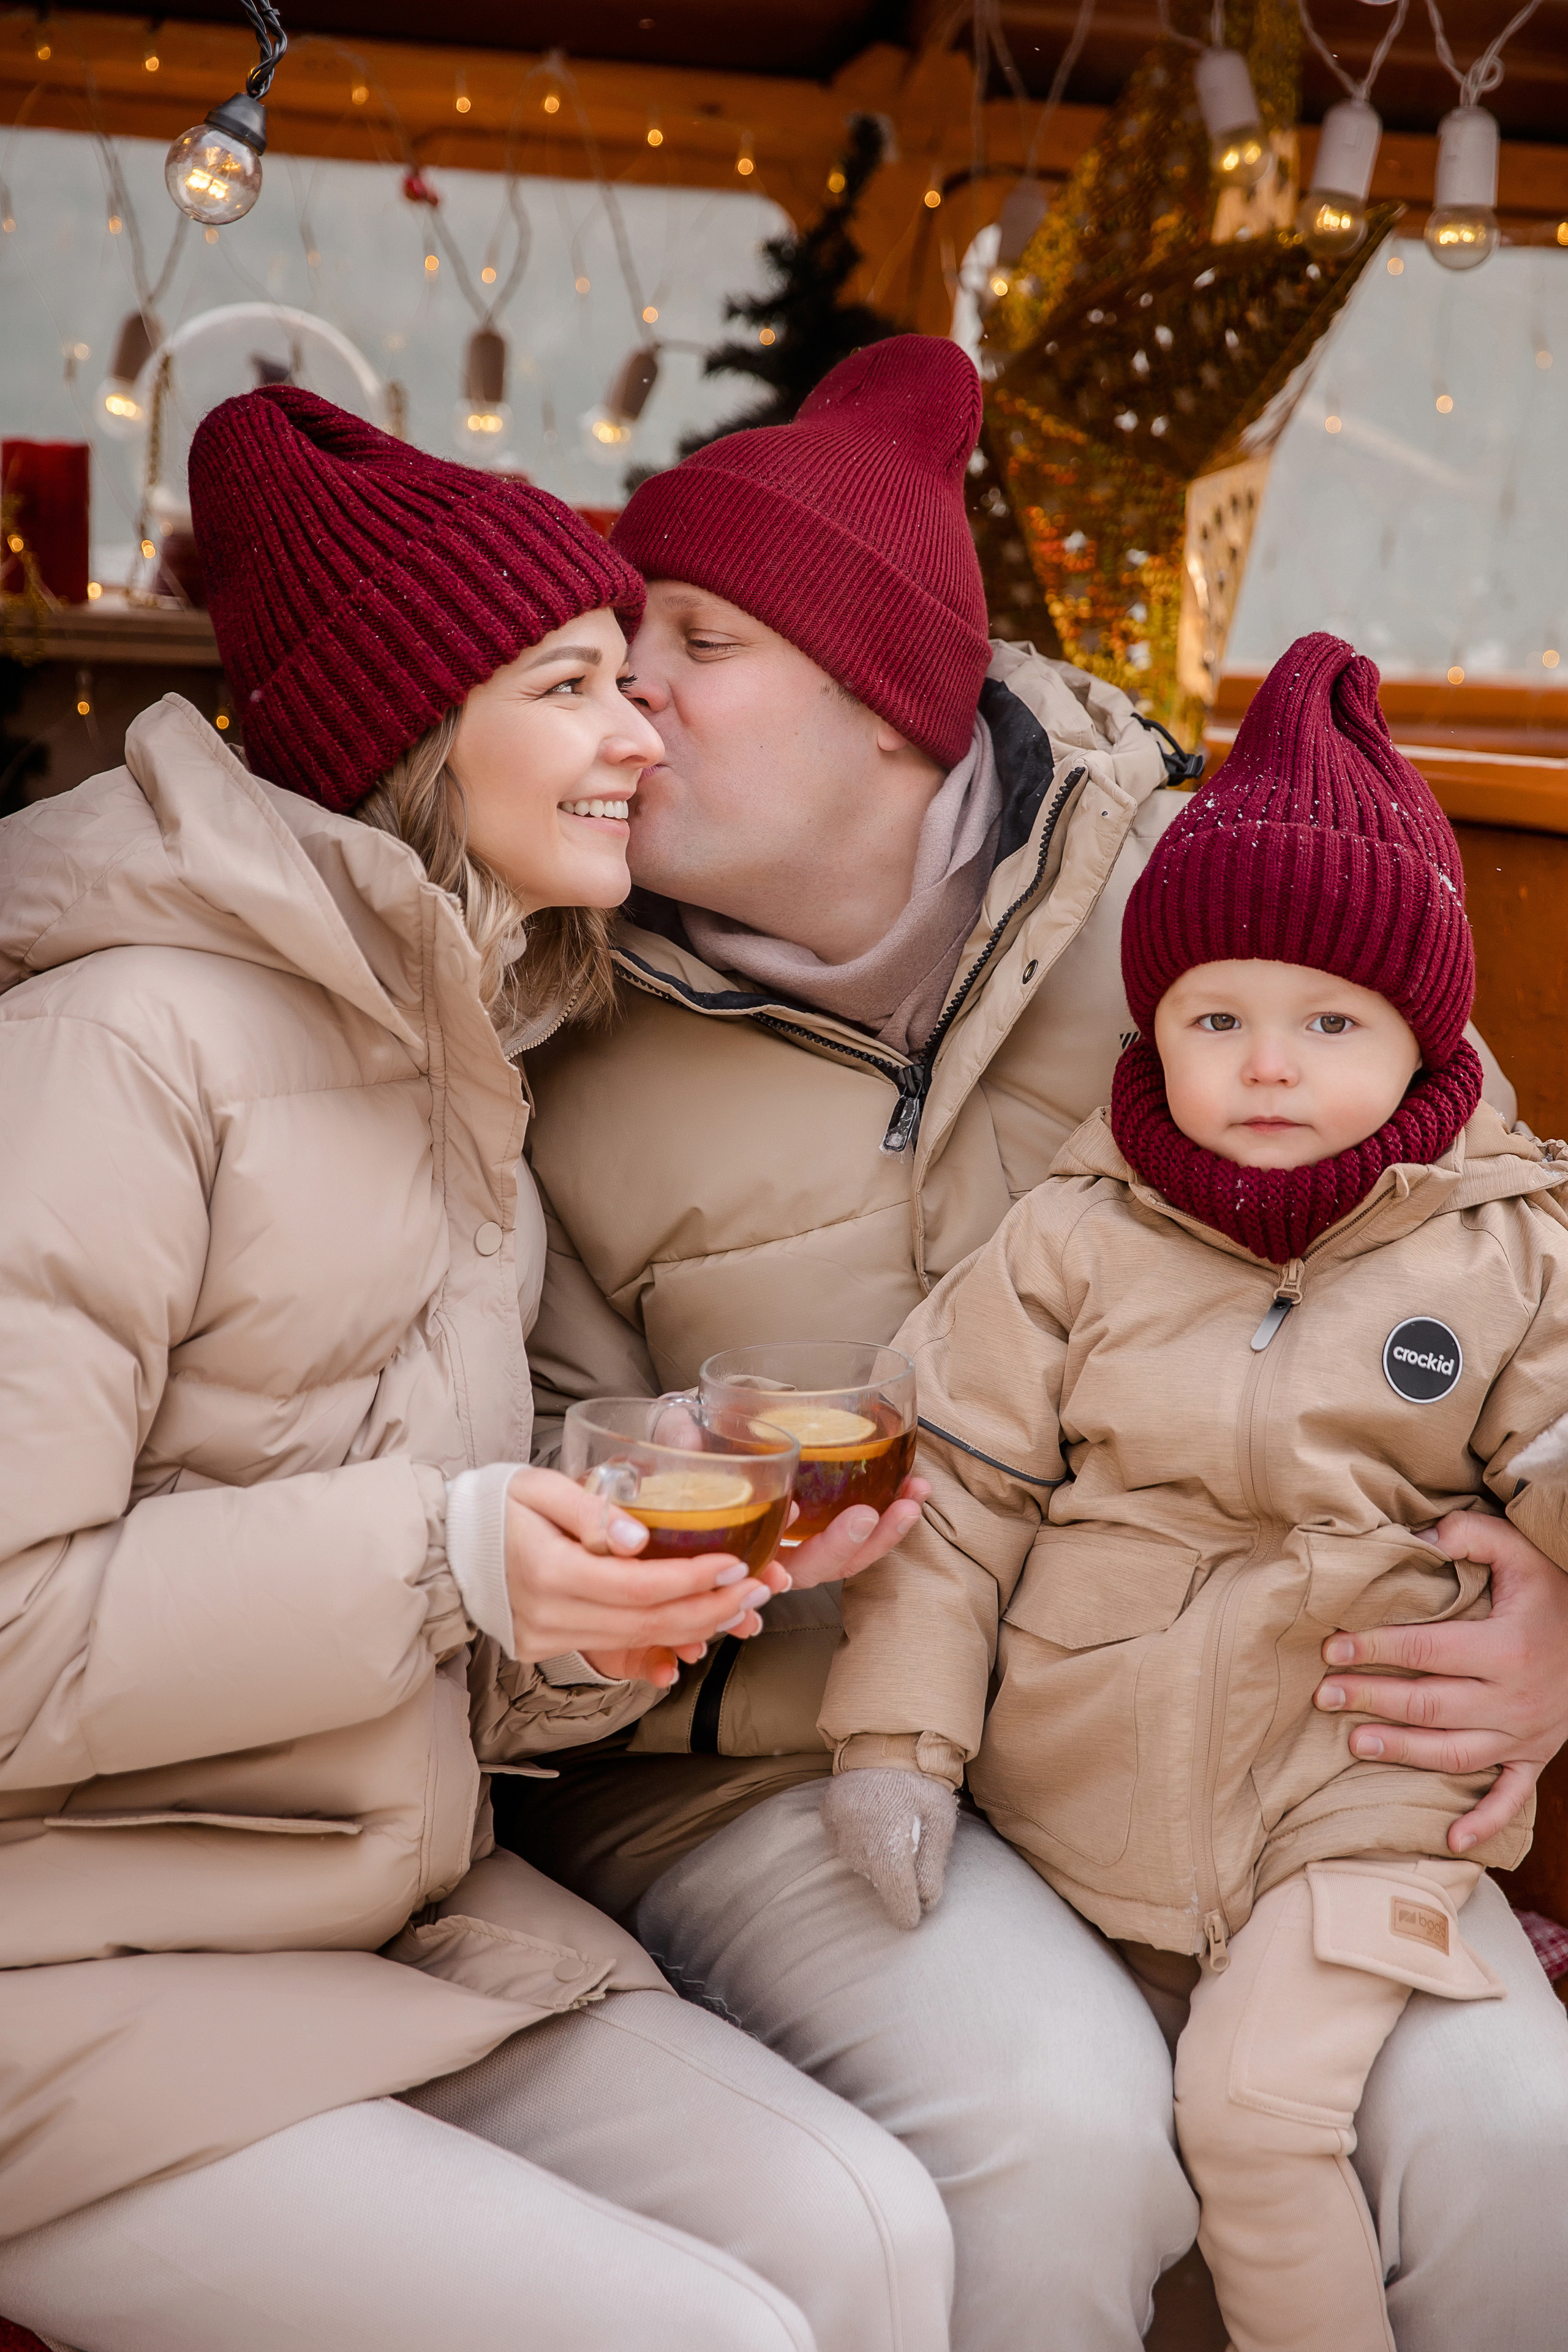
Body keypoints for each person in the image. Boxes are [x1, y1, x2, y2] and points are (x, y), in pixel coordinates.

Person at [507, 336, 1568, 2349]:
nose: (621, 685)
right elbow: (504, 1471)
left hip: (1271, 1712)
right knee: (1060, 2133)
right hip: (775, 1758)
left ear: (884, 702)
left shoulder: (1237, 893)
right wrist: (659, 1505)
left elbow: (1495, 1238)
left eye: (695, 635)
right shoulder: (547, 1009)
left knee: (1524, 2133)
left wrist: (1557, 1622)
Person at [0, 387, 952, 2352]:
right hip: (70, 1972)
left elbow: (434, 1633)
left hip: (371, 1919)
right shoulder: (121, 1049)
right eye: (578, 685)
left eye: (643, 677)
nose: (641, 733)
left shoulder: (468, 1072)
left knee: (876, 2235)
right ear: (423, 728)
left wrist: (604, 1589)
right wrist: (445, 1550)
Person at [816, 631, 1568, 2352]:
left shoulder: (1504, 1253)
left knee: (1254, 2116)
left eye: (1329, 1021)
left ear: (1422, 1038)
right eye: (1216, 1018)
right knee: (1102, 2131)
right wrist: (899, 1747)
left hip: (1366, 1792)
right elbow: (957, 1497)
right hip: (1096, 1799)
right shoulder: (1075, 1241)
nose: (1270, 1065)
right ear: (1153, 1028)